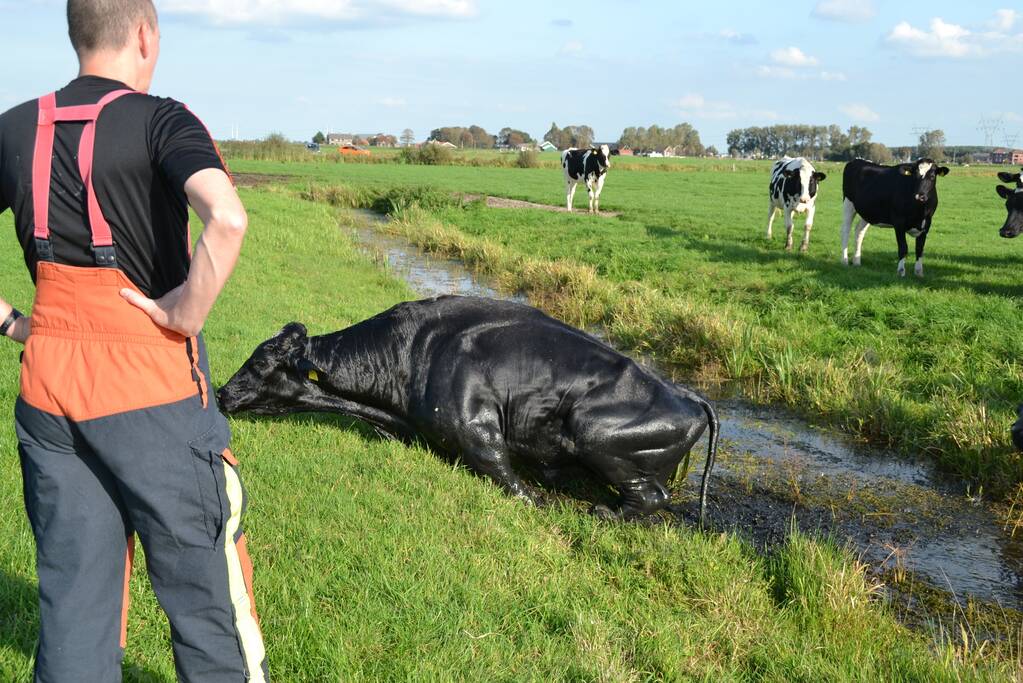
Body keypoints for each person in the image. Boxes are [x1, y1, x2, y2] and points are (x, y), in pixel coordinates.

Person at [0, 1, 269, 680]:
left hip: (48, 388)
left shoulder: (14, 128)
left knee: (74, 598)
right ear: (145, 35)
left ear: (76, 35)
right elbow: (227, 219)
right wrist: (183, 311)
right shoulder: (163, 119)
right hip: (149, 384)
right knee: (206, 599)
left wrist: (9, 322)